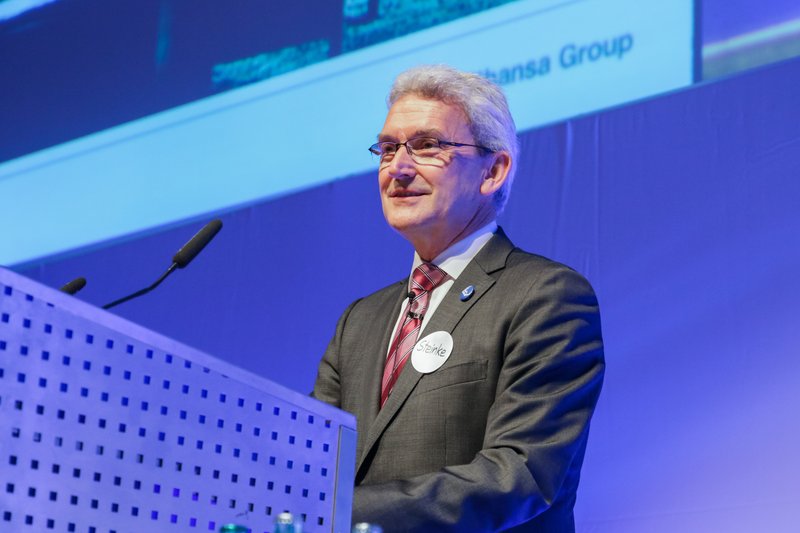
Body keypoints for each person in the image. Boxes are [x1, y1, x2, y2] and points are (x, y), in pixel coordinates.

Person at [312, 64, 604, 532]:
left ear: (493, 171)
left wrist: (338, 514)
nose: (398, 168)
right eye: (388, 149)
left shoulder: (545, 297)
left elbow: (519, 475)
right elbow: (311, 462)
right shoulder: (359, 322)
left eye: (427, 145)